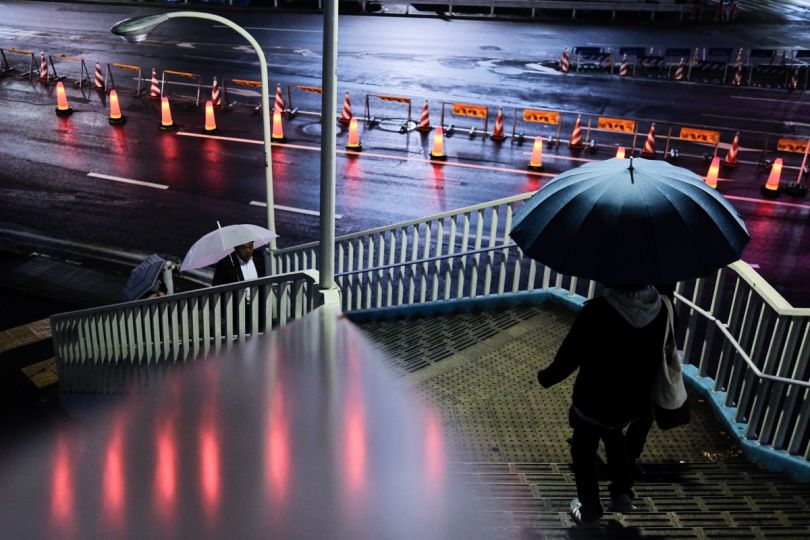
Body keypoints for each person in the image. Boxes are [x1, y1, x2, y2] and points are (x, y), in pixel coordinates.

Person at [537, 284, 668, 528]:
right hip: (633, 400)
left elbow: (570, 353)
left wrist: (548, 377)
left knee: (583, 448)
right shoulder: (662, 309)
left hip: (595, 396)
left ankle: (590, 508)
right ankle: (622, 492)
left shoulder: (598, 309)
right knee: (614, 432)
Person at [212, 241, 269, 330]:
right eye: (243, 248)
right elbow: (217, 289)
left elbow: (263, 279)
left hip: (259, 307)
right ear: (236, 248)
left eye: (250, 247)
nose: (248, 251)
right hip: (237, 310)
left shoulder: (259, 256)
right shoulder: (225, 264)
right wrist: (236, 291)